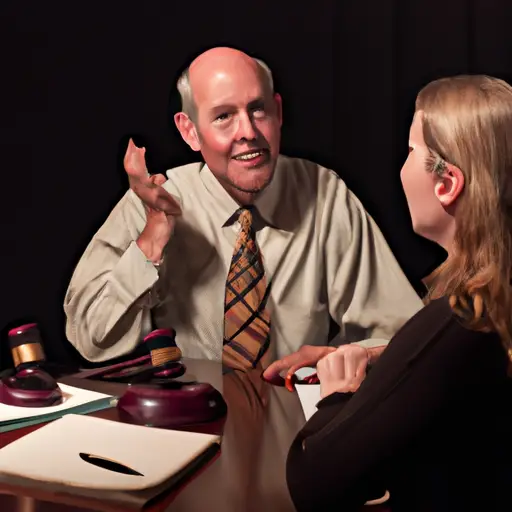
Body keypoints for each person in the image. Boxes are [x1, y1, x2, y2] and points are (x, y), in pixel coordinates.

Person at [63, 47, 423, 367]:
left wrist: (340, 360)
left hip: (296, 415)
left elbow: (402, 332)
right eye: (223, 117)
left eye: (258, 109)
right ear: (190, 132)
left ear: (278, 111)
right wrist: (150, 244)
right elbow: (91, 341)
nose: (248, 131)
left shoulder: (324, 194)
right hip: (188, 420)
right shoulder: (154, 203)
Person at [286, 75, 512, 511]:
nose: (403, 165)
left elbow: (314, 481)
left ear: (447, 182)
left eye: (412, 151)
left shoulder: (464, 318)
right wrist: (394, 358)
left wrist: (337, 394)